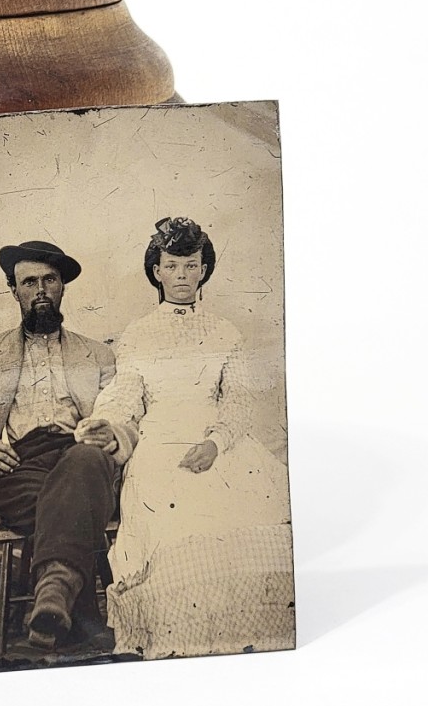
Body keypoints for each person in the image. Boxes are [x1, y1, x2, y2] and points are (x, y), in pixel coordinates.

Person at [86, 217, 295, 659]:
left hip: (219, 442)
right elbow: (126, 393)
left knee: (250, 513)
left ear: (204, 270)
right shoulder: (138, 334)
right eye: (172, 266)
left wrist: (216, 443)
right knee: (174, 520)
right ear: (157, 271)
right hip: (160, 444)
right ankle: (181, 640)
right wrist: (106, 420)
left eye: (191, 266)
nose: (182, 276)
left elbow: (238, 400)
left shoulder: (226, 333)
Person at [0, 240, 132, 650]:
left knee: (83, 463)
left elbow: (122, 413)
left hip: (80, 455)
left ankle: (54, 594)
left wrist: (108, 431)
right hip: (17, 468)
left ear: (62, 287)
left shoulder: (98, 354)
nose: (40, 289)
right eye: (29, 282)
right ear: (15, 290)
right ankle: (79, 609)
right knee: (69, 499)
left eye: (50, 280)